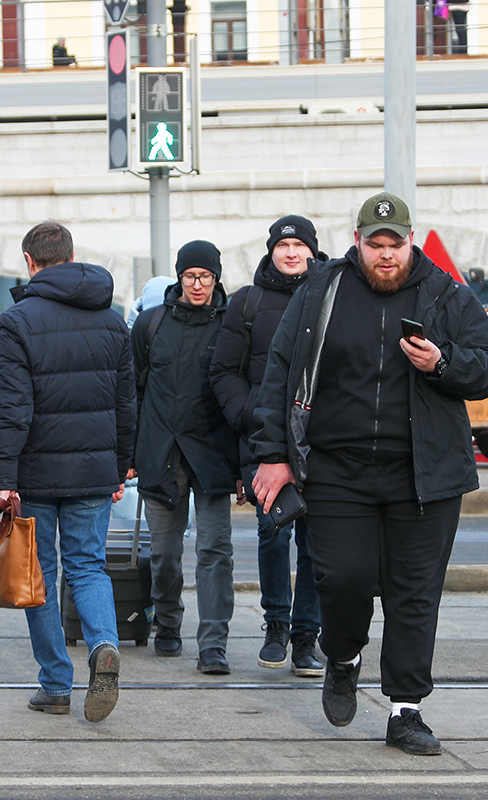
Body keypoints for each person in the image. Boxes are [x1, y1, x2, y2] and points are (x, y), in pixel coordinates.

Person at [251, 192, 488, 755]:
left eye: (396, 244)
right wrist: (272, 454)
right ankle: (342, 657)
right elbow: (279, 373)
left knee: (415, 592)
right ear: (357, 242)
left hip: (424, 473)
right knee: (342, 578)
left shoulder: (446, 294)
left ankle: (406, 711)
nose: (386, 255)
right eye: (375, 244)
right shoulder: (322, 289)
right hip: (337, 470)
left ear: (411, 241)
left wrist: (442, 363)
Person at [0, 221, 135, 723]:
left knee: (39, 575)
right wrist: (119, 467)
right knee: (88, 567)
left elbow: (12, 408)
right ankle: (104, 646)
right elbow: (126, 404)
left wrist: (2, 477)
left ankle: (54, 684)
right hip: (94, 468)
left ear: (30, 263)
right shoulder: (112, 321)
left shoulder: (17, 321)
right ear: (72, 258)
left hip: (34, 472)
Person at [209, 215, 327, 678]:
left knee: (316, 543)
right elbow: (224, 371)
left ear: (313, 250)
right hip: (266, 440)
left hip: (321, 442)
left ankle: (306, 637)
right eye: (283, 246)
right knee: (273, 533)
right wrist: (250, 415)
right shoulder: (248, 302)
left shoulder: (331, 294)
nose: (291, 253)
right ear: (271, 251)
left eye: (299, 246)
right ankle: (276, 626)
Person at [129, 241, 238, 674]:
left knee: (215, 550)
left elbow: (241, 395)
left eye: (205, 277)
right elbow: (134, 394)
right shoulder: (151, 324)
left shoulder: (231, 325)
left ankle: (213, 643)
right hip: (162, 452)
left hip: (213, 454)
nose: (197, 284)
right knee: (164, 553)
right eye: (190, 276)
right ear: (179, 278)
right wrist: (131, 453)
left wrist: (246, 464)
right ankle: (168, 622)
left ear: (216, 278)